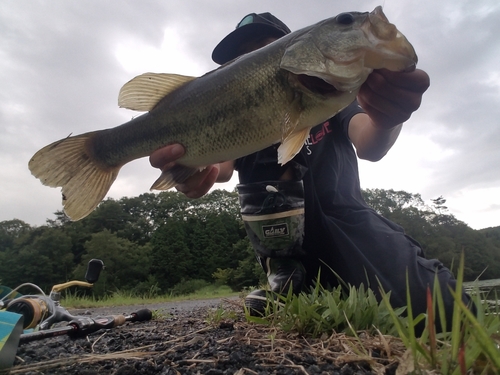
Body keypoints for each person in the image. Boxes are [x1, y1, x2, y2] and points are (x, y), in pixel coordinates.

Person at [149, 12, 471, 330]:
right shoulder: (237, 125)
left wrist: (388, 118)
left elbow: (370, 143)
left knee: (443, 305)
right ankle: (286, 288)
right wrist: (189, 171)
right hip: (284, 253)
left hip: (351, 228)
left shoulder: (334, 98)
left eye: (262, 48)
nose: (249, 61)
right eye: (240, 58)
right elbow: (219, 168)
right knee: (305, 311)